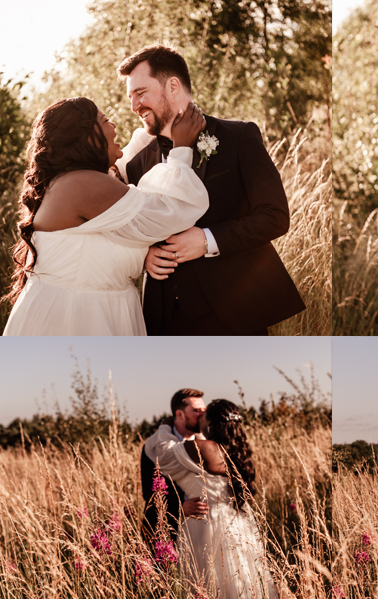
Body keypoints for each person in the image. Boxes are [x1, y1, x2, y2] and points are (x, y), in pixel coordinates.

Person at [116, 45, 305, 335]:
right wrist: (145, 255)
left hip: (235, 314)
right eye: (130, 97)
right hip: (163, 321)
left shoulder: (238, 136)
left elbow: (275, 216)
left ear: (173, 85)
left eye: (141, 93)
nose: (134, 106)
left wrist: (208, 240)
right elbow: (135, 226)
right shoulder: (140, 162)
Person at [2, 97, 209, 335]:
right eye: (105, 121)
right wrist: (181, 149)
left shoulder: (70, 181)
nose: (114, 126)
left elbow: (100, 247)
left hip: (88, 312)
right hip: (76, 321)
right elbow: (168, 213)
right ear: (85, 136)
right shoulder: (84, 184)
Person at [144, 399, 279, 599]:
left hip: (207, 526)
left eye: (203, 414)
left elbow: (161, 454)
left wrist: (165, 427)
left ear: (211, 423)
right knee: (242, 590)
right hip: (239, 526)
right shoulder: (238, 449)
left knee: (211, 593)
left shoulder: (202, 447)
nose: (199, 417)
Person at [140, 388, 210, 549]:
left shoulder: (208, 444)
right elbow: (148, 492)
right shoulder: (154, 448)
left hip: (204, 533)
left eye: (204, 410)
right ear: (180, 414)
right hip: (165, 530)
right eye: (197, 410)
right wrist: (179, 507)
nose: (203, 415)